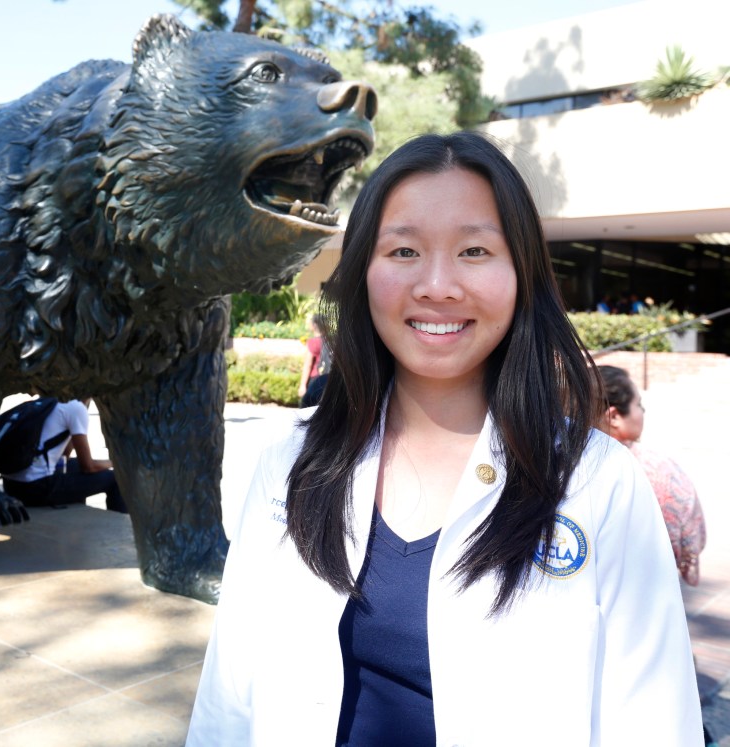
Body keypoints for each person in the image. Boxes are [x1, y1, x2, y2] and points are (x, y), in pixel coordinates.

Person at [188, 133, 702, 745]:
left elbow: (653, 720)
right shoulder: (292, 463)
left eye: (475, 251)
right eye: (403, 250)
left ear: (522, 275)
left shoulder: (598, 481)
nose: (437, 285)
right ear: (362, 273)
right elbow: (228, 699)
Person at [599, 365, 706, 585]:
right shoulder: (656, 470)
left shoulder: (556, 463)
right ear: (615, 416)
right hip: (643, 591)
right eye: (638, 404)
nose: (642, 412)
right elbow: (690, 539)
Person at [0, 398, 127, 513]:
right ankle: (120, 524)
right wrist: (116, 462)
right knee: (115, 478)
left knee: (74, 465)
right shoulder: (76, 408)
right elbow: (88, 466)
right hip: (34, 490)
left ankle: (77, 517)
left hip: (11, 486)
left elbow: (64, 455)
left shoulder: (50, 401)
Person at [298, 314, 326, 403]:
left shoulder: (313, 342)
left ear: (314, 325)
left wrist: (302, 385)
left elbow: (308, 364)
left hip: (316, 380)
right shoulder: (332, 341)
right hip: (329, 378)